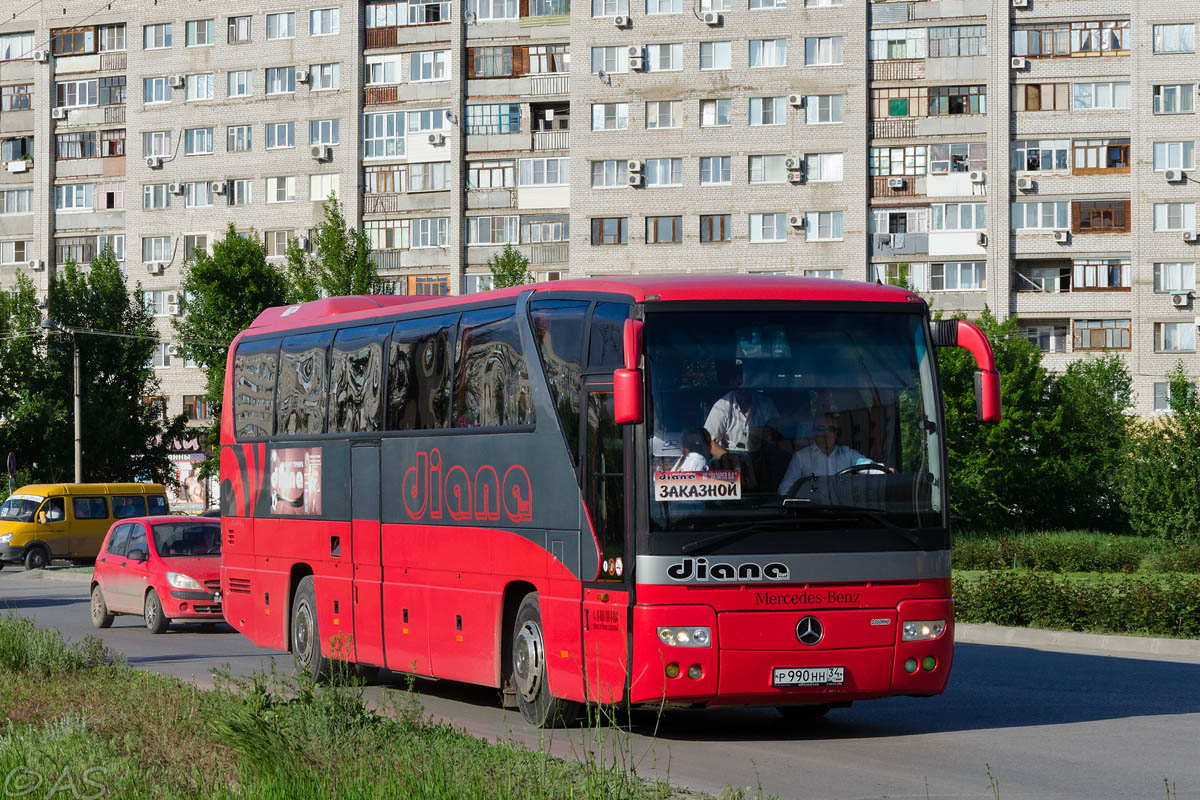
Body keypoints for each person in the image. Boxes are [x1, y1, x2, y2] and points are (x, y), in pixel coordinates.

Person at [777, 414, 879, 495]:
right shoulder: (801, 457)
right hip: (812, 513)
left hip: (845, 513)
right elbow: (784, 490)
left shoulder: (848, 455)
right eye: (821, 428)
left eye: (831, 429)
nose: (826, 433)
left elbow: (869, 467)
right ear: (814, 432)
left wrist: (887, 471)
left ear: (836, 433)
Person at [703, 366, 780, 459]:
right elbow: (707, 441)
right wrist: (729, 460)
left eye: (746, 385)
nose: (742, 389)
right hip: (730, 458)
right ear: (732, 384)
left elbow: (777, 435)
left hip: (762, 457)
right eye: (739, 384)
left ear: (752, 384)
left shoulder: (766, 404)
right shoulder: (722, 406)